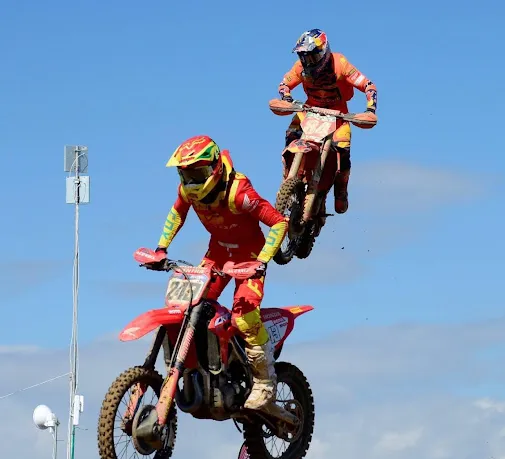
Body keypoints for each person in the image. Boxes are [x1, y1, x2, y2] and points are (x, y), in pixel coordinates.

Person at [146, 134, 288, 413]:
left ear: (214, 168)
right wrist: (161, 248)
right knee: (186, 306)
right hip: (217, 254)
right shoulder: (187, 191)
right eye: (186, 174)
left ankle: (264, 383)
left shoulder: (239, 192)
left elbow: (279, 222)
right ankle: (206, 366)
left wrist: (262, 261)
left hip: (249, 256)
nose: (192, 181)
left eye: (198, 173)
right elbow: (177, 214)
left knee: (245, 317)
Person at [277, 28, 377, 216]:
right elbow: (284, 84)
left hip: (339, 116)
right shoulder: (300, 68)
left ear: (324, 52)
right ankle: (287, 178)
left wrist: (370, 109)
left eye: (313, 57)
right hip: (309, 111)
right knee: (291, 135)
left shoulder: (340, 64)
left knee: (343, 152)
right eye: (304, 57)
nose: (308, 62)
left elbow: (368, 85)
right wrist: (287, 99)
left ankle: (341, 190)